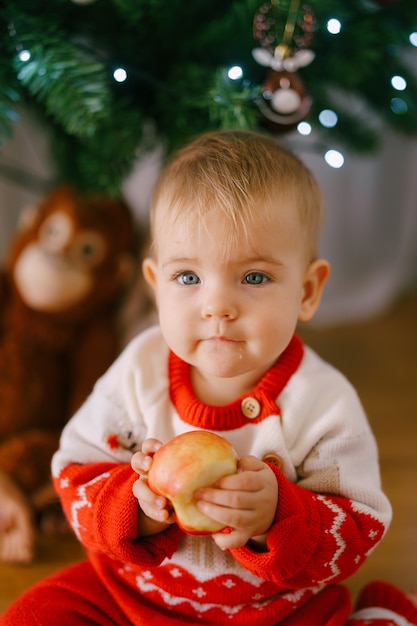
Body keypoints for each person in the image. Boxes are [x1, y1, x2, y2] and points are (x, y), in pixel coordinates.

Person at [2, 130, 416, 625]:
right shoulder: (140, 370)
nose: (217, 306)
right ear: (156, 287)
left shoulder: (321, 402)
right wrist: (138, 510)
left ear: (307, 291)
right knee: (33, 615)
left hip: (274, 612)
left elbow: (360, 527)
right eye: (189, 278)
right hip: (133, 600)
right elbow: (74, 473)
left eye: (254, 277)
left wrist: (277, 516)